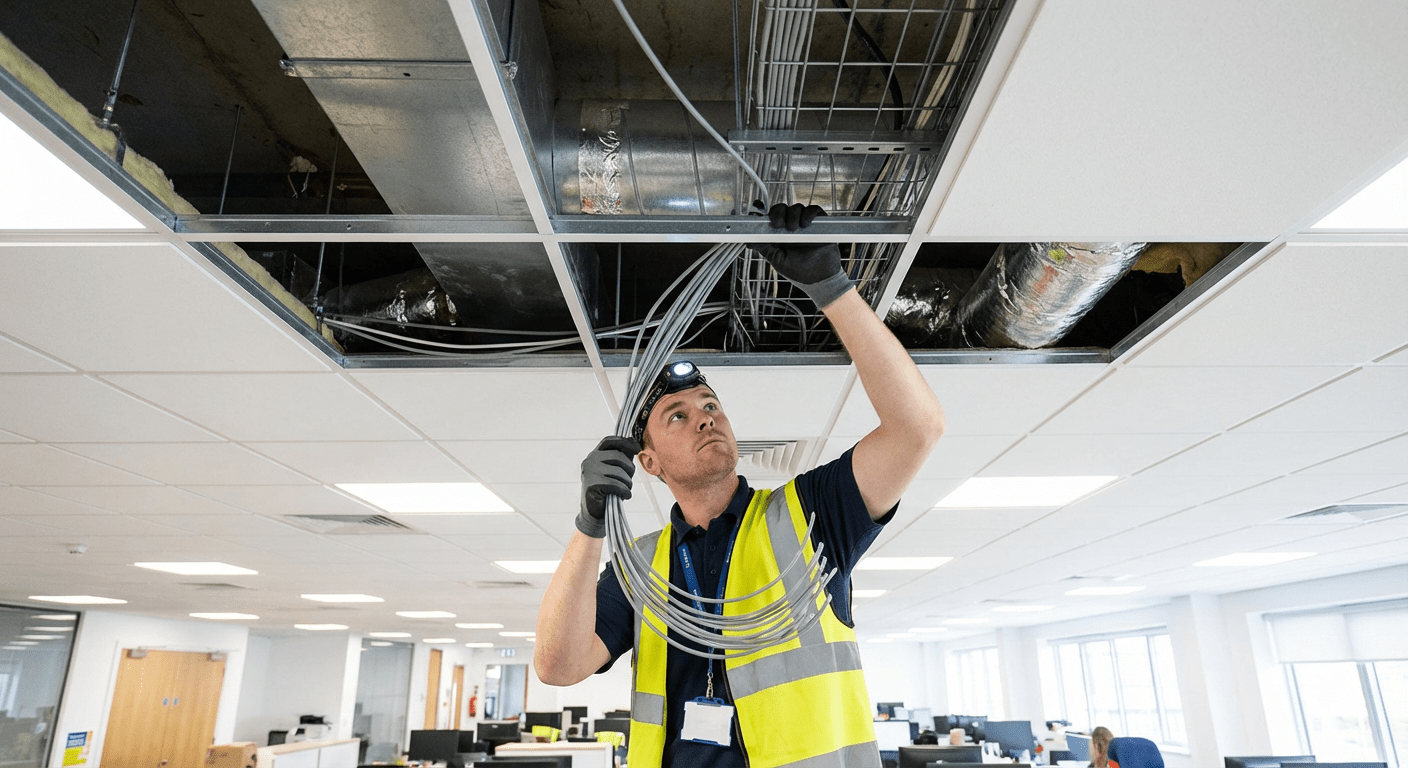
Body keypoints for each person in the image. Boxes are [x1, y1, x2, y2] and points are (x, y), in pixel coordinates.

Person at [534, 203, 946, 768]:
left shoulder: (809, 516)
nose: (705, 419)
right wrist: (589, 525)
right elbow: (557, 666)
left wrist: (832, 288)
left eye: (710, 405)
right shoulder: (640, 569)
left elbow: (917, 427)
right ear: (648, 462)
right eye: (677, 416)